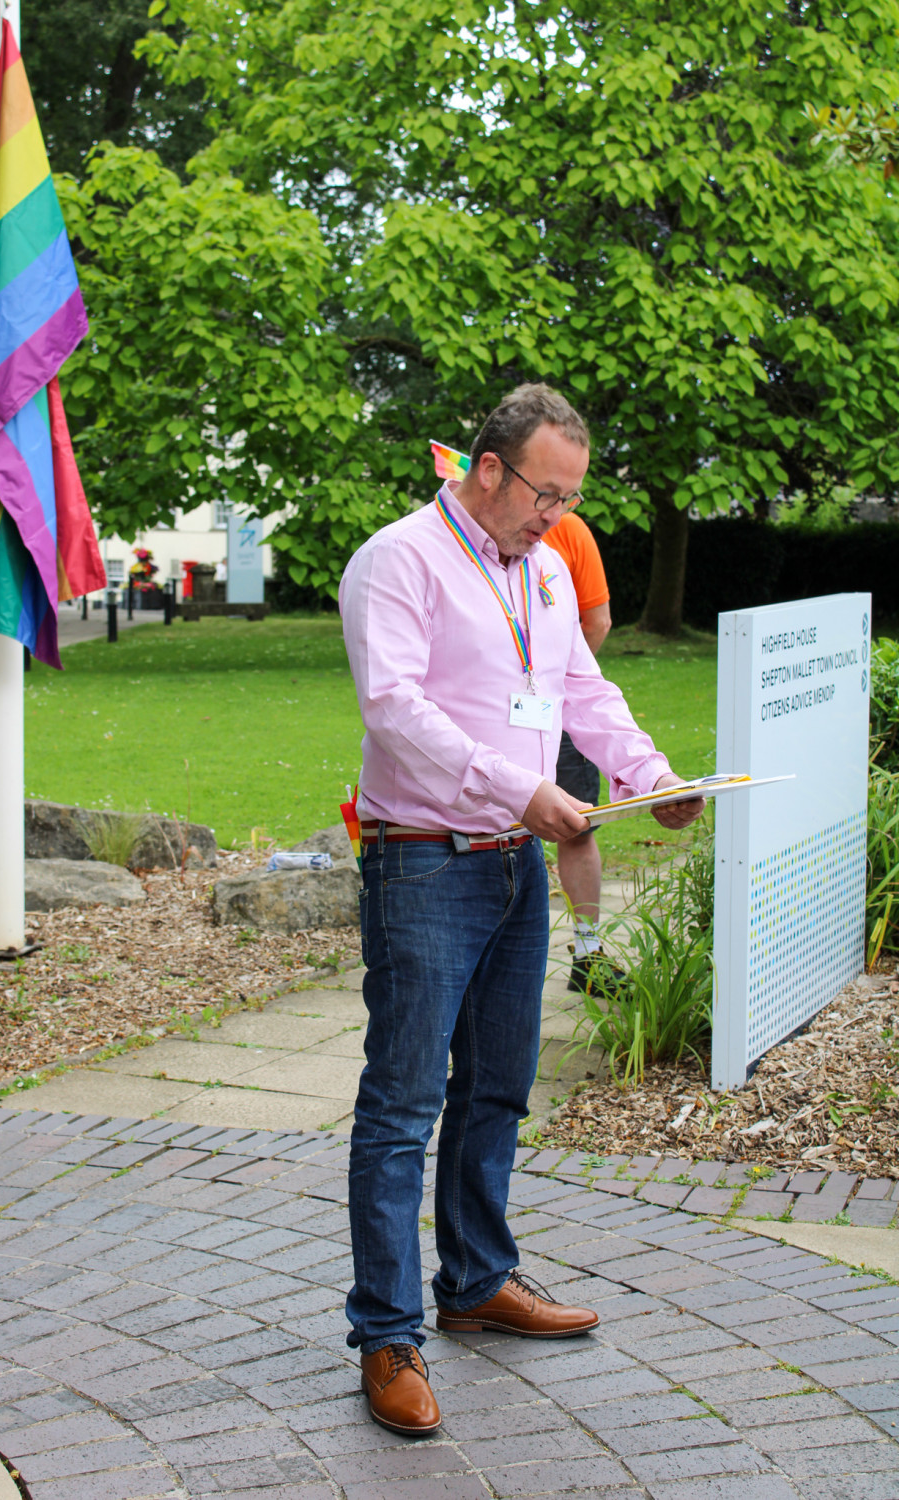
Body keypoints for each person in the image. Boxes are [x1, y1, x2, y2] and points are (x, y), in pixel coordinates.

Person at [338, 383, 703, 1439]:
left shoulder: (541, 569)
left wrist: (650, 777)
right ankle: (385, 1336)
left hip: (513, 867)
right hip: (425, 864)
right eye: (548, 493)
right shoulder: (397, 559)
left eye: (572, 498)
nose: (560, 519)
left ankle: (477, 1280)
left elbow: (584, 692)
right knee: (403, 1104)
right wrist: (519, 791)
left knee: (496, 1089)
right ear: (486, 469)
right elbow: (392, 708)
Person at [541, 511, 615, 990]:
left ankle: (588, 952)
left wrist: (553, 675)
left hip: (559, 709)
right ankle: (587, 953)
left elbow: (597, 620)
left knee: (577, 823)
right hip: (500, 714)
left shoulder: (568, 529)